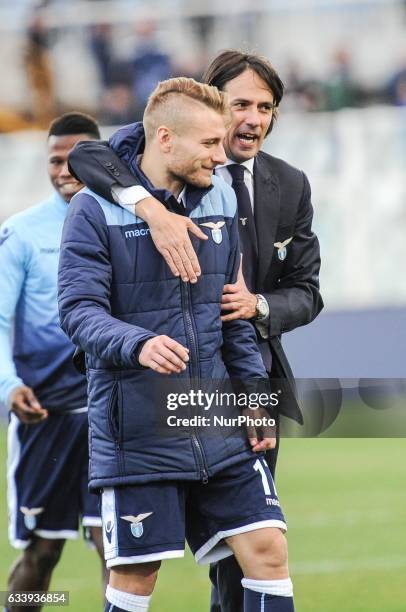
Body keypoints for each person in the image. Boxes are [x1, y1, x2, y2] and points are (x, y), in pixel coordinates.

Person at [67, 51, 323, 611]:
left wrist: (255, 387)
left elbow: (274, 303)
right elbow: (78, 312)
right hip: (140, 421)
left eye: (265, 108)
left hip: (222, 407)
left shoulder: (242, 192)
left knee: (263, 552)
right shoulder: (99, 200)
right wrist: (137, 341)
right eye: (236, 111)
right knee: (136, 578)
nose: (240, 131)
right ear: (166, 135)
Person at [0, 112, 106, 612]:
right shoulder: (20, 233)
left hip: (112, 415)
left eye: (74, 159)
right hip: (47, 417)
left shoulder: (131, 223)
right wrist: (8, 385)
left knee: (120, 547)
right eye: (54, 160)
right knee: (42, 554)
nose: (64, 170)